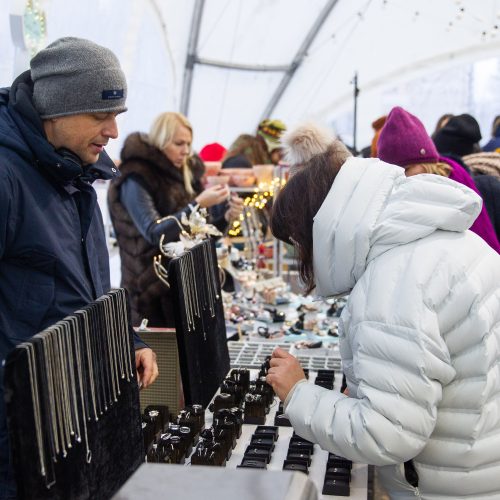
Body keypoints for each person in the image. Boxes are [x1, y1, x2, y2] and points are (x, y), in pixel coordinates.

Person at [266, 122, 500, 499]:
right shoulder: (434, 237)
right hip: (478, 467)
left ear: (319, 228)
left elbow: (387, 434)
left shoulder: (392, 285)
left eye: (298, 243)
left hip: (447, 486)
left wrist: (298, 393)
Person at [0, 37, 158, 499]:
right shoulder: (8, 178)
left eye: (117, 116)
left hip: (69, 411)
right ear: (56, 109)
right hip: (19, 433)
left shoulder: (76, 174)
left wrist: (122, 340)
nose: (112, 130)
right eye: (99, 114)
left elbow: (84, 288)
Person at [108, 112, 243, 327]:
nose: (186, 151)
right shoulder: (136, 176)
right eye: (179, 143)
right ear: (161, 140)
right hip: (148, 295)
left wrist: (225, 218)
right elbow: (155, 232)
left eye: (189, 144)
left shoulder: (185, 176)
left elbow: (197, 238)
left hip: (185, 289)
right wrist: (197, 204)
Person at [376, 106, 500, 252]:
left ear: (427, 163)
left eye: (407, 169)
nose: (401, 177)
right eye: (394, 173)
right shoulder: (385, 203)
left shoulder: (464, 190)